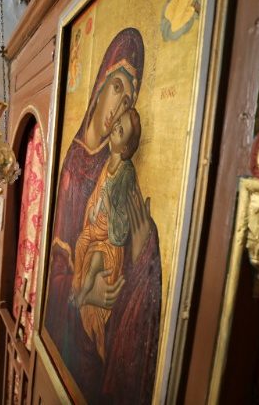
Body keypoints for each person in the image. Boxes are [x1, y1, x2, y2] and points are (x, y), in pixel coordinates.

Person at [44, 28, 162, 404]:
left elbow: (126, 239)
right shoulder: (70, 168)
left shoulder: (122, 170)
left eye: (129, 98)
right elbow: (56, 267)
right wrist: (82, 290)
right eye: (117, 87)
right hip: (72, 329)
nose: (119, 105)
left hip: (99, 338)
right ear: (100, 85)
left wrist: (146, 254)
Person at [72, 108, 142, 361]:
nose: (114, 129)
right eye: (116, 124)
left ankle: (84, 294)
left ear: (125, 148)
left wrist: (107, 207)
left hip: (110, 240)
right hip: (96, 227)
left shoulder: (126, 171)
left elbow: (120, 211)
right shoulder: (106, 164)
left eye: (120, 130)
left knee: (94, 265)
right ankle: (79, 288)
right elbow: (97, 196)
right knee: (80, 245)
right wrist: (92, 210)